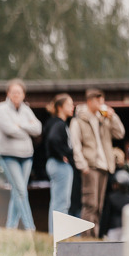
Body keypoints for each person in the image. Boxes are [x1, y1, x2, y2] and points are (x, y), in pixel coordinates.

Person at [70, 88, 125, 237]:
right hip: (90, 166)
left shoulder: (103, 119)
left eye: (102, 100)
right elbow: (76, 144)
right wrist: (83, 165)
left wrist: (113, 117)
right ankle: (86, 238)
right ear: (90, 101)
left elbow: (120, 133)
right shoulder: (79, 120)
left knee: (99, 205)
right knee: (90, 204)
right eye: (98, 100)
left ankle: (95, 236)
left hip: (104, 166)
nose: (102, 103)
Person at [0, 79, 42, 230]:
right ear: (8, 93)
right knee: (21, 191)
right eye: (13, 92)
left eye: (19, 92)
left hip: (26, 156)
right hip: (9, 155)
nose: (16, 95)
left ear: (23, 94)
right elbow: (9, 130)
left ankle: (11, 227)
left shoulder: (26, 109)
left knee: (18, 191)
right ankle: (30, 228)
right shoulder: (1, 109)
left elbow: (38, 129)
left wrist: (20, 125)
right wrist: (27, 131)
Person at [43, 93, 75, 232]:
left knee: (56, 202)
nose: (73, 107)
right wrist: (62, 154)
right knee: (61, 203)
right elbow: (53, 139)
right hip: (59, 165)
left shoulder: (52, 122)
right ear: (60, 107)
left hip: (53, 164)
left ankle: (55, 233)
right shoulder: (59, 124)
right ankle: (58, 234)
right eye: (69, 104)